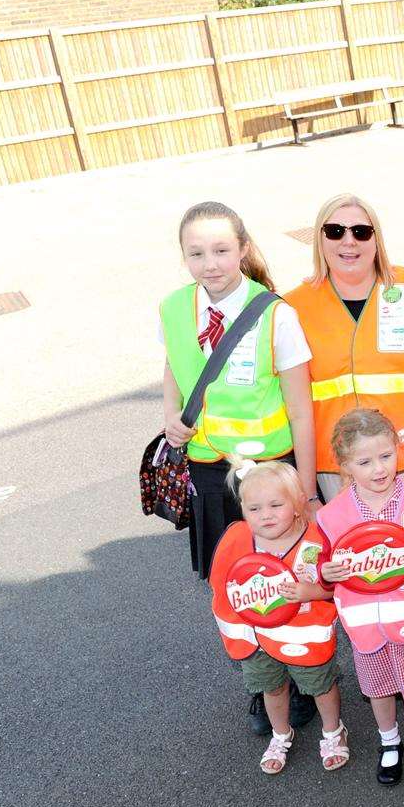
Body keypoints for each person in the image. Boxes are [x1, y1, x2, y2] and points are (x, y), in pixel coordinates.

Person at [158, 201, 316, 581]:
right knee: (229, 577)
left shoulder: (276, 314)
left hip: (271, 469)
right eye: (196, 254)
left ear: (243, 249)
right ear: (184, 257)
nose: (209, 264)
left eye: (221, 251)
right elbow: (174, 365)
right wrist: (171, 415)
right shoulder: (173, 307)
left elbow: (301, 411)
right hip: (207, 468)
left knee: (285, 576)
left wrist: (307, 493)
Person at [286, 194, 404, 500]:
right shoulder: (294, 306)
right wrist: (308, 491)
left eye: (360, 231)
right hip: (339, 469)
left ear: (375, 238)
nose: (348, 241)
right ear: (319, 239)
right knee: (353, 547)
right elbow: (296, 406)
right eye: (335, 231)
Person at [316, 409, 404, 786]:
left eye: (385, 456)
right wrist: (326, 572)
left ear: (397, 450)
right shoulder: (333, 515)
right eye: (364, 462)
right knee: (379, 683)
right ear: (345, 466)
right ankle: (389, 740)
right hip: (368, 621)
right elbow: (325, 562)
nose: (378, 469)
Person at [208, 458, 345, 774]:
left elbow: (337, 588)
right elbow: (223, 587)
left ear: (297, 504)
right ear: (242, 508)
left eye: (275, 505)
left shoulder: (317, 540)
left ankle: (333, 731)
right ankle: (281, 733)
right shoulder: (238, 540)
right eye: (254, 508)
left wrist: (310, 592)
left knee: (320, 686)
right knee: (272, 687)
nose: (265, 515)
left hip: (304, 636)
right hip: (257, 637)